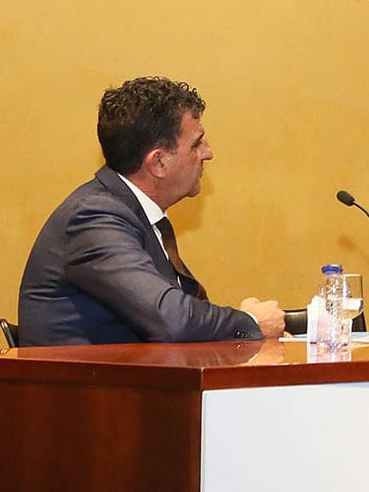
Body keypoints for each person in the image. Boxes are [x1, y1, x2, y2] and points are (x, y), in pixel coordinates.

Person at [18, 77, 286, 346]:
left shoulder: (132, 214)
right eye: (196, 144)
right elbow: (172, 319)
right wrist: (250, 322)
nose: (208, 153)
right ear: (158, 162)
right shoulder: (94, 217)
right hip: (93, 387)